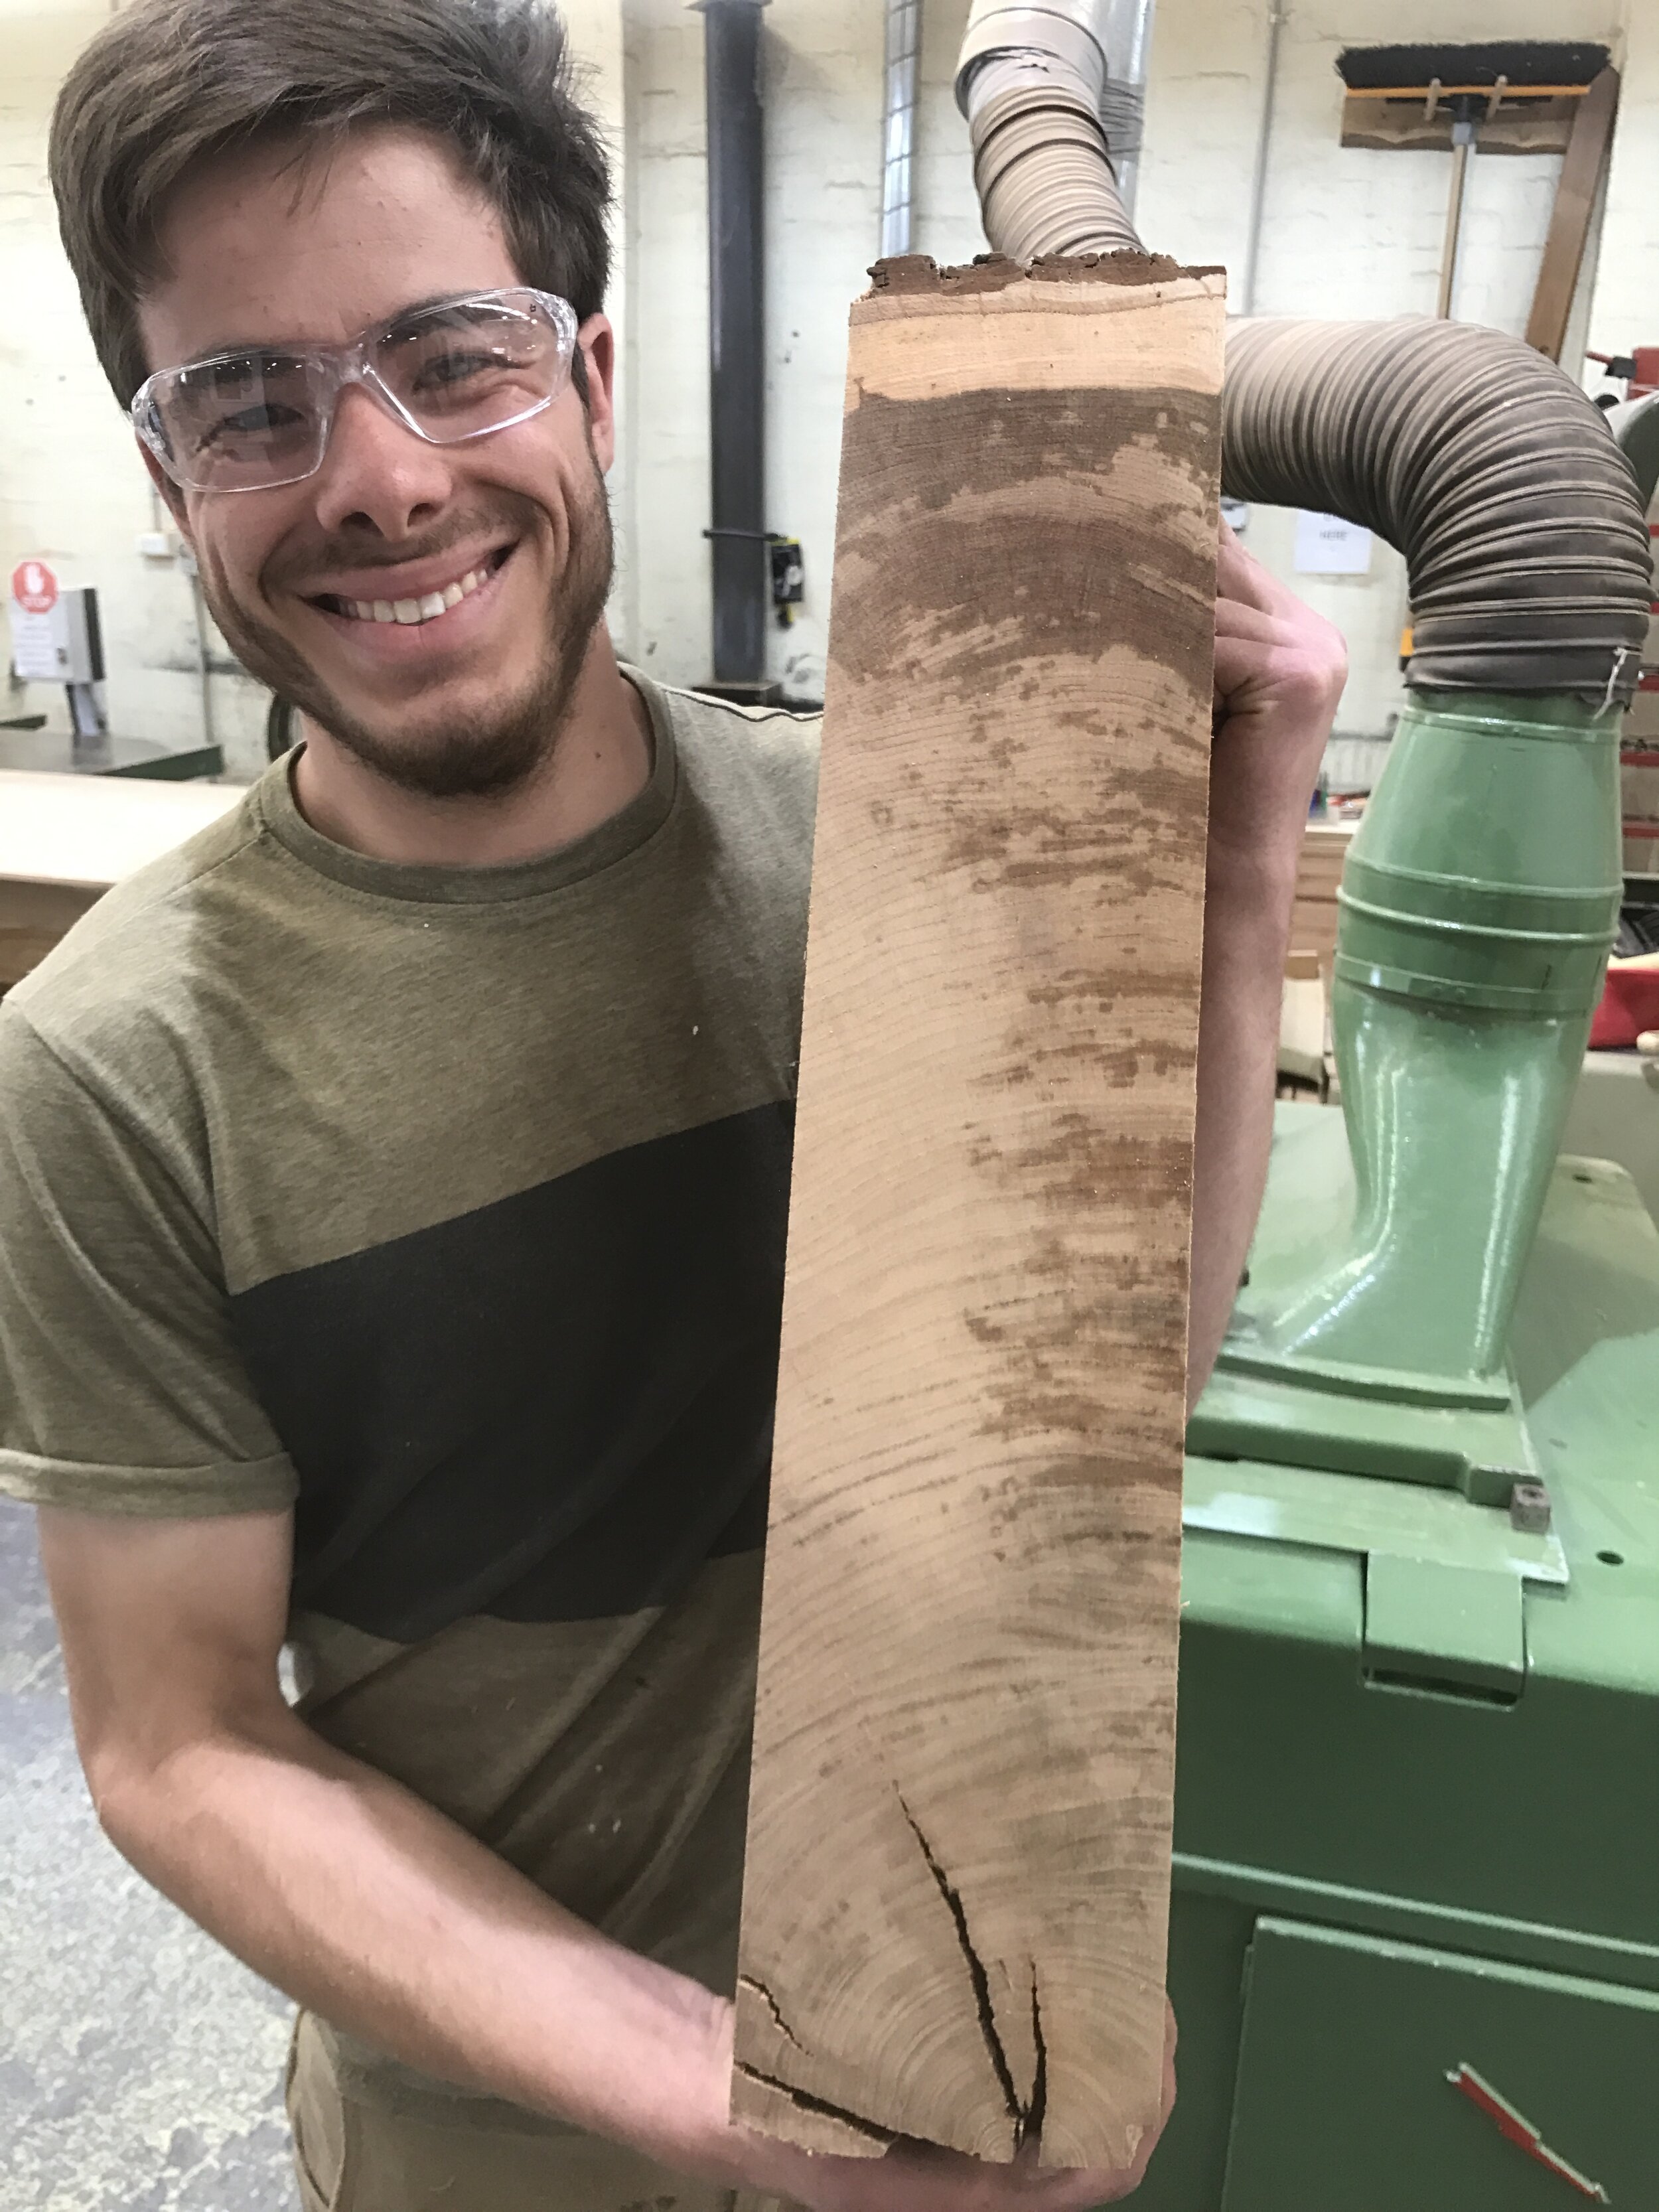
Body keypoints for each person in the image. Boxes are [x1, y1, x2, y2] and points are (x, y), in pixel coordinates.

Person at [0, 2, 1346, 2207]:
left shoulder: (891, 861)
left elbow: (1101, 1411)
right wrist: (738, 2099)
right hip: (500, 2148)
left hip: (978, 2025)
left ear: (589, 387)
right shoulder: (111, 1077)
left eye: (452, 355)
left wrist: (1228, 869)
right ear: (170, 483)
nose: (380, 476)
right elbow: (181, 1743)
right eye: (248, 403)